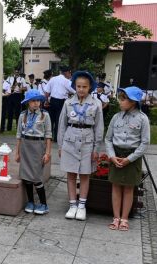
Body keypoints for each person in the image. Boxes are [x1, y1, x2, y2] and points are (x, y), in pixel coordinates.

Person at [58, 71, 104, 221]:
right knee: (70, 174)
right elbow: (62, 126)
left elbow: (99, 128)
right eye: (78, 86)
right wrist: (60, 145)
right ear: (74, 86)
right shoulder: (68, 103)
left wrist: (96, 149)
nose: (81, 89)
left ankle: (82, 205)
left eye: (84, 86)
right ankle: (72, 205)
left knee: (85, 174)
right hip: (70, 141)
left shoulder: (96, 104)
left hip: (87, 142)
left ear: (90, 87)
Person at [105, 86, 150, 231]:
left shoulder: (143, 119)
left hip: (133, 156)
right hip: (116, 154)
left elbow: (144, 142)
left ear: (133, 101)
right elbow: (108, 139)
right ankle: (116, 217)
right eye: (121, 98)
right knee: (116, 186)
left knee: (129, 188)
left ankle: (124, 218)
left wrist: (129, 159)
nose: (120, 101)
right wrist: (112, 156)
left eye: (123, 99)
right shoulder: (116, 117)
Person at [15, 90, 52, 215]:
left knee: (36, 177)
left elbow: (48, 135)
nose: (36, 103)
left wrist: (47, 153)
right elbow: (19, 135)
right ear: (28, 103)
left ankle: (43, 204)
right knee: (26, 177)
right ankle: (30, 202)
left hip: (38, 146)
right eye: (33, 101)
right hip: (25, 145)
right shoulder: (22, 115)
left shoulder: (44, 115)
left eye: (38, 101)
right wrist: (17, 152)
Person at [45, 66, 75, 142]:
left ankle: (49, 136)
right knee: (59, 120)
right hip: (61, 102)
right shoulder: (66, 81)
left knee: (51, 119)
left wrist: (47, 101)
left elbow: (47, 92)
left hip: (52, 101)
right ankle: (56, 138)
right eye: (69, 73)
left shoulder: (53, 79)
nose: (70, 75)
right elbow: (74, 91)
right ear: (66, 73)